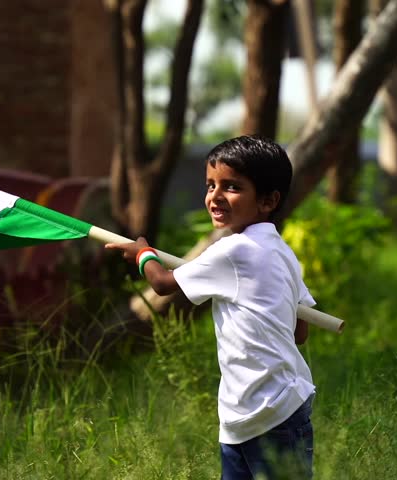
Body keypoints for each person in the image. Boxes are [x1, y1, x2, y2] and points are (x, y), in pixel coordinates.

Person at [106, 135, 316, 479]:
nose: (215, 197)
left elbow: (161, 284)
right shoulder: (282, 252)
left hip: (265, 410)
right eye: (210, 185)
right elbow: (300, 331)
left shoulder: (234, 250)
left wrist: (142, 252)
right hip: (262, 408)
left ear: (268, 200)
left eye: (231, 187)